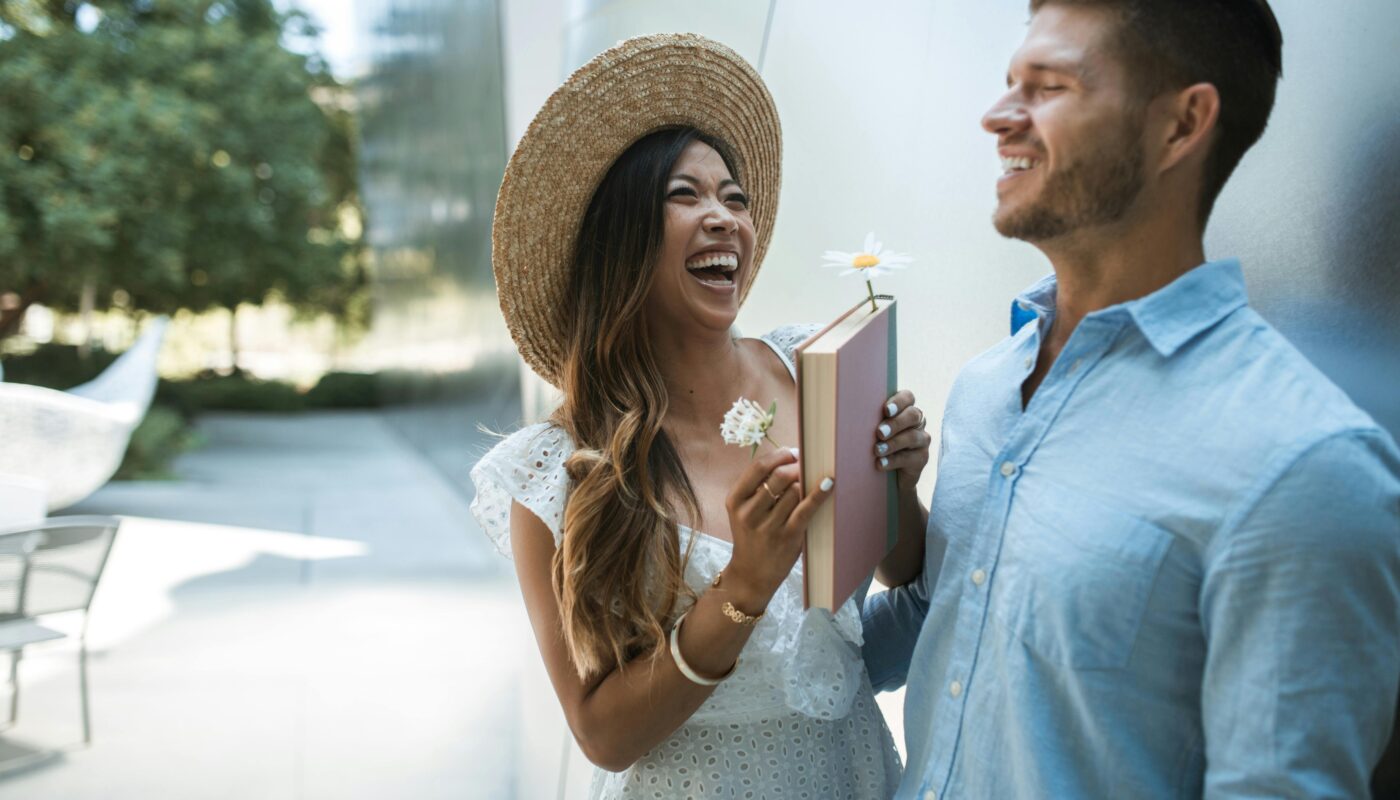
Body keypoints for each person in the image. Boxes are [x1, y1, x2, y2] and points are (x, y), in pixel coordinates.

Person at [862, 1, 1400, 798]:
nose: (997, 116)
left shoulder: (1303, 465)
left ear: (1182, 126)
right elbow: (938, 623)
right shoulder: (985, 389)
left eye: (1047, 87)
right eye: (1012, 81)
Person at [472, 34, 930, 798]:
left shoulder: (812, 370)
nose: (724, 217)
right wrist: (743, 586)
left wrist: (899, 487)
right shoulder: (553, 470)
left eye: (735, 197)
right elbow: (603, 734)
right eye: (685, 196)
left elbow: (897, 579)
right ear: (620, 242)